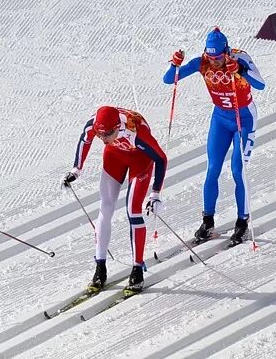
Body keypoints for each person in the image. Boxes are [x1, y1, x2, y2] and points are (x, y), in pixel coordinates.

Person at [164, 26, 265, 244]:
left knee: (238, 171)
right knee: (212, 169)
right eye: (210, 57)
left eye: (218, 57)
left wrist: (239, 70)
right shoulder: (202, 62)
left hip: (244, 119)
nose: (214, 62)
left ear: (226, 51)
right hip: (220, 118)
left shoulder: (240, 57)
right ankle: (207, 221)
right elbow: (168, 79)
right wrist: (175, 63)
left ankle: (242, 222)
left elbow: (261, 84)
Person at [63, 105, 168, 294]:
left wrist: (155, 194)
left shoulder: (136, 131)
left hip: (140, 161)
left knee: (133, 210)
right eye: (100, 134)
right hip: (115, 157)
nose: (103, 139)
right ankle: (100, 267)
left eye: (107, 134)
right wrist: (76, 170)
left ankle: (137, 269)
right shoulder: (95, 126)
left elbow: (161, 159)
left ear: (117, 127)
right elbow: (84, 140)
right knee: (105, 207)